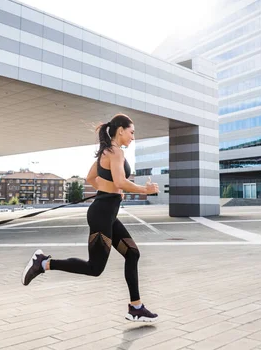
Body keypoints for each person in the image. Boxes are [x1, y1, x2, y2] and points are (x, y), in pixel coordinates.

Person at [21, 113, 160, 322]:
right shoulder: (116, 153)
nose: (133, 137)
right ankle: (43, 263)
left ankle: (136, 307)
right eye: (131, 132)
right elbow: (121, 181)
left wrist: (108, 191)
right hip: (102, 215)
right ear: (120, 130)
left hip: (106, 213)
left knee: (132, 254)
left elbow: (91, 178)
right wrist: (145, 190)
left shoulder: (107, 151)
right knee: (94, 268)